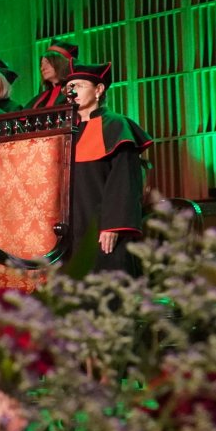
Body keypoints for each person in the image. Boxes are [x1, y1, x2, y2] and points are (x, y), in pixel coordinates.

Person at [65, 62, 152, 274]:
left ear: (99, 90)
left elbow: (125, 181)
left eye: (79, 85)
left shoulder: (116, 126)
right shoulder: (65, 130)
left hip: (103, 227)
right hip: (70, 228)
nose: (72, 91)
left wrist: (113, 225)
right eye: (69, 87)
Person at [26, 41, 76, 110]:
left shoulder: (74, 93)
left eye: (47, 62)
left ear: (60, 63)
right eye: (41, 64)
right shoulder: (39, 99)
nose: (42, 68)